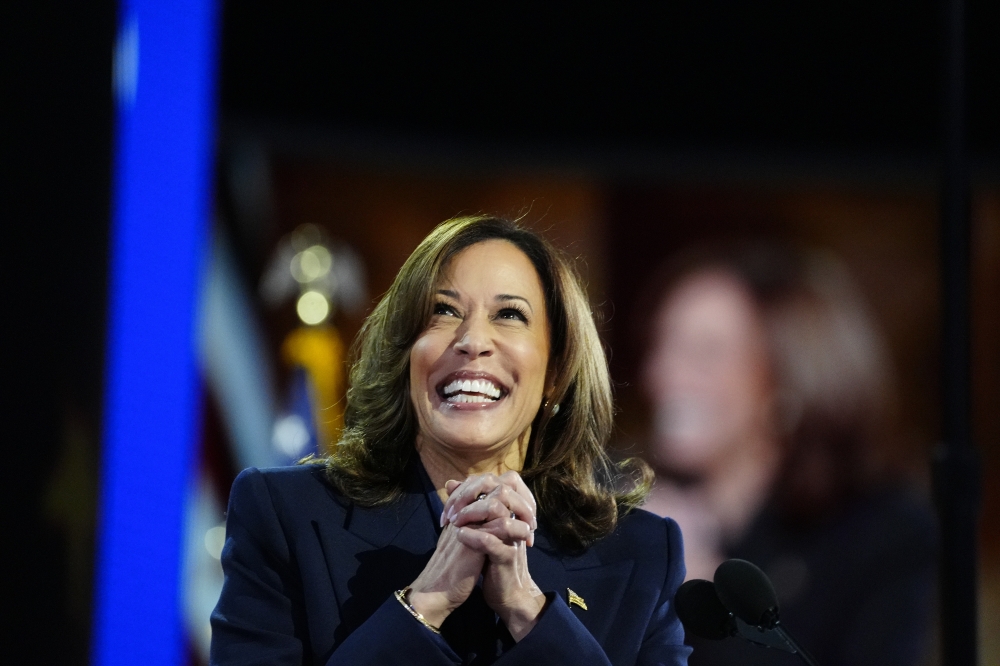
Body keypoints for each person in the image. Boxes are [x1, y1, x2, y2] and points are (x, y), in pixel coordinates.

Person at [210, 215, 692, 665]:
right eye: (443, 311)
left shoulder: (642, 555)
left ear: (556, 374)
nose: (472, 339)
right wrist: (426, 602)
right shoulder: (287, 517)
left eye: (509, 315)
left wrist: (529, 612)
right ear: (405, 356)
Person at [639, 242, 936, 666]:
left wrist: (706, 601)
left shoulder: (879, 531)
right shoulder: (635, 513)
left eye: (705, 352)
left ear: (787, 375)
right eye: (662, 343)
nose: (663, 374)